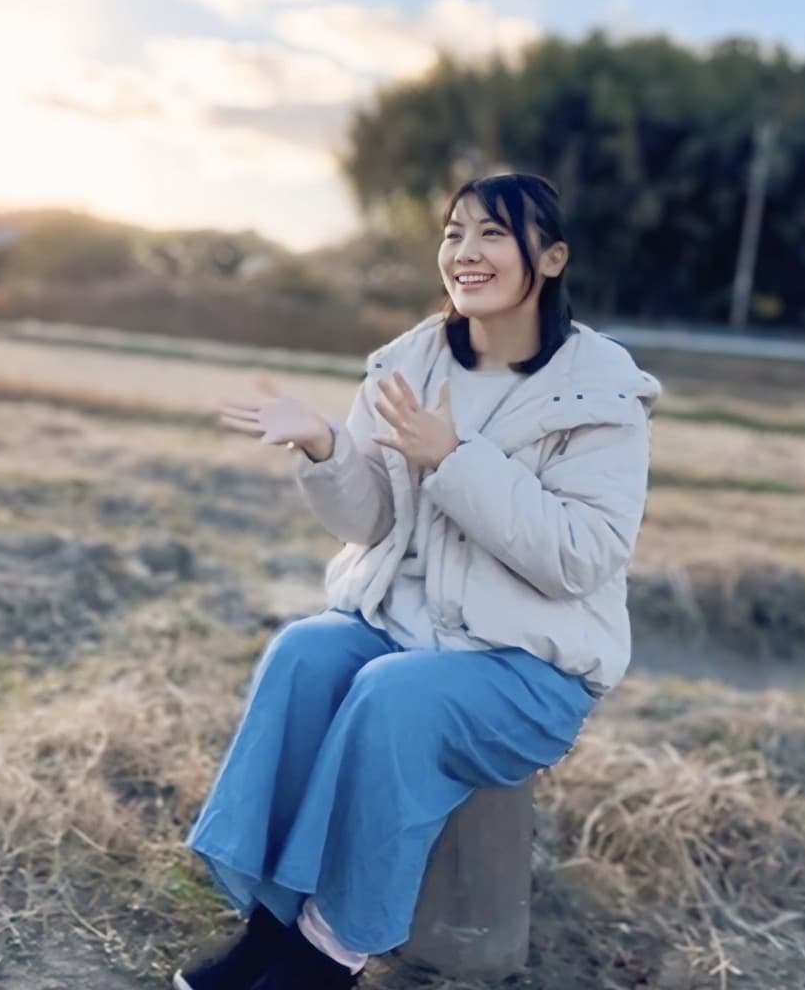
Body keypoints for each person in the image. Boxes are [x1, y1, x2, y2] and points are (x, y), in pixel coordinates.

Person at [174, 172, 661, 990]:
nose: (465, 253)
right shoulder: (412, 361)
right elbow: (371, 522)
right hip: (408, 625)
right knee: (306, 652)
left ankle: (329, 952)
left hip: (529, 667)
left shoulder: (599, 390)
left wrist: (457, 460)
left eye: (492, 235)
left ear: (550, 258)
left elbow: (583, 553)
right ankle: (269, 925)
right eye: (453, 233)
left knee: (395, 696)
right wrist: (328, 448)